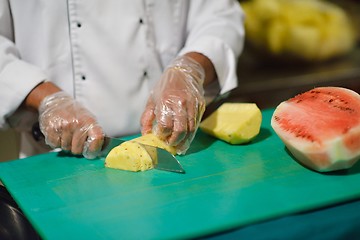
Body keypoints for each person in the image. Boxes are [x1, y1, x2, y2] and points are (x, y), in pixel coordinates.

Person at [0, 1, 245, 159]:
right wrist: (44, 97)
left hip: (173, 142)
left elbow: (221, 14)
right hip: (55, 157)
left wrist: (190, 68)